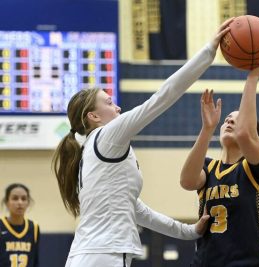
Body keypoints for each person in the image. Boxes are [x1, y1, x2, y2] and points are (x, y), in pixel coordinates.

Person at [52, 18, 234, 267]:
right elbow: (162, 97)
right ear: (93, 117)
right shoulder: (107, 137)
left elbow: (138, 211)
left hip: (89, 255)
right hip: (103, 256)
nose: (116, 107)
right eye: (107, 102)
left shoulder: (91, 153)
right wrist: (209, 51)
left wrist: (188, 231)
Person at [180, 47, 259, 267]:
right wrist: (207, 129)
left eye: (238, 118)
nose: (230, 121)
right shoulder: (208, 168)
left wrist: (253, 77)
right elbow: (186, 181)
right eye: (227, 119)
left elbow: (245, 133)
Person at [0, 183, 40, 267]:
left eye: (24, 198)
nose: (20, 202)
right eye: (15, 198)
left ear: (28, 203)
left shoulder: (34, 227)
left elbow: (35, 261)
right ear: (7, 202)